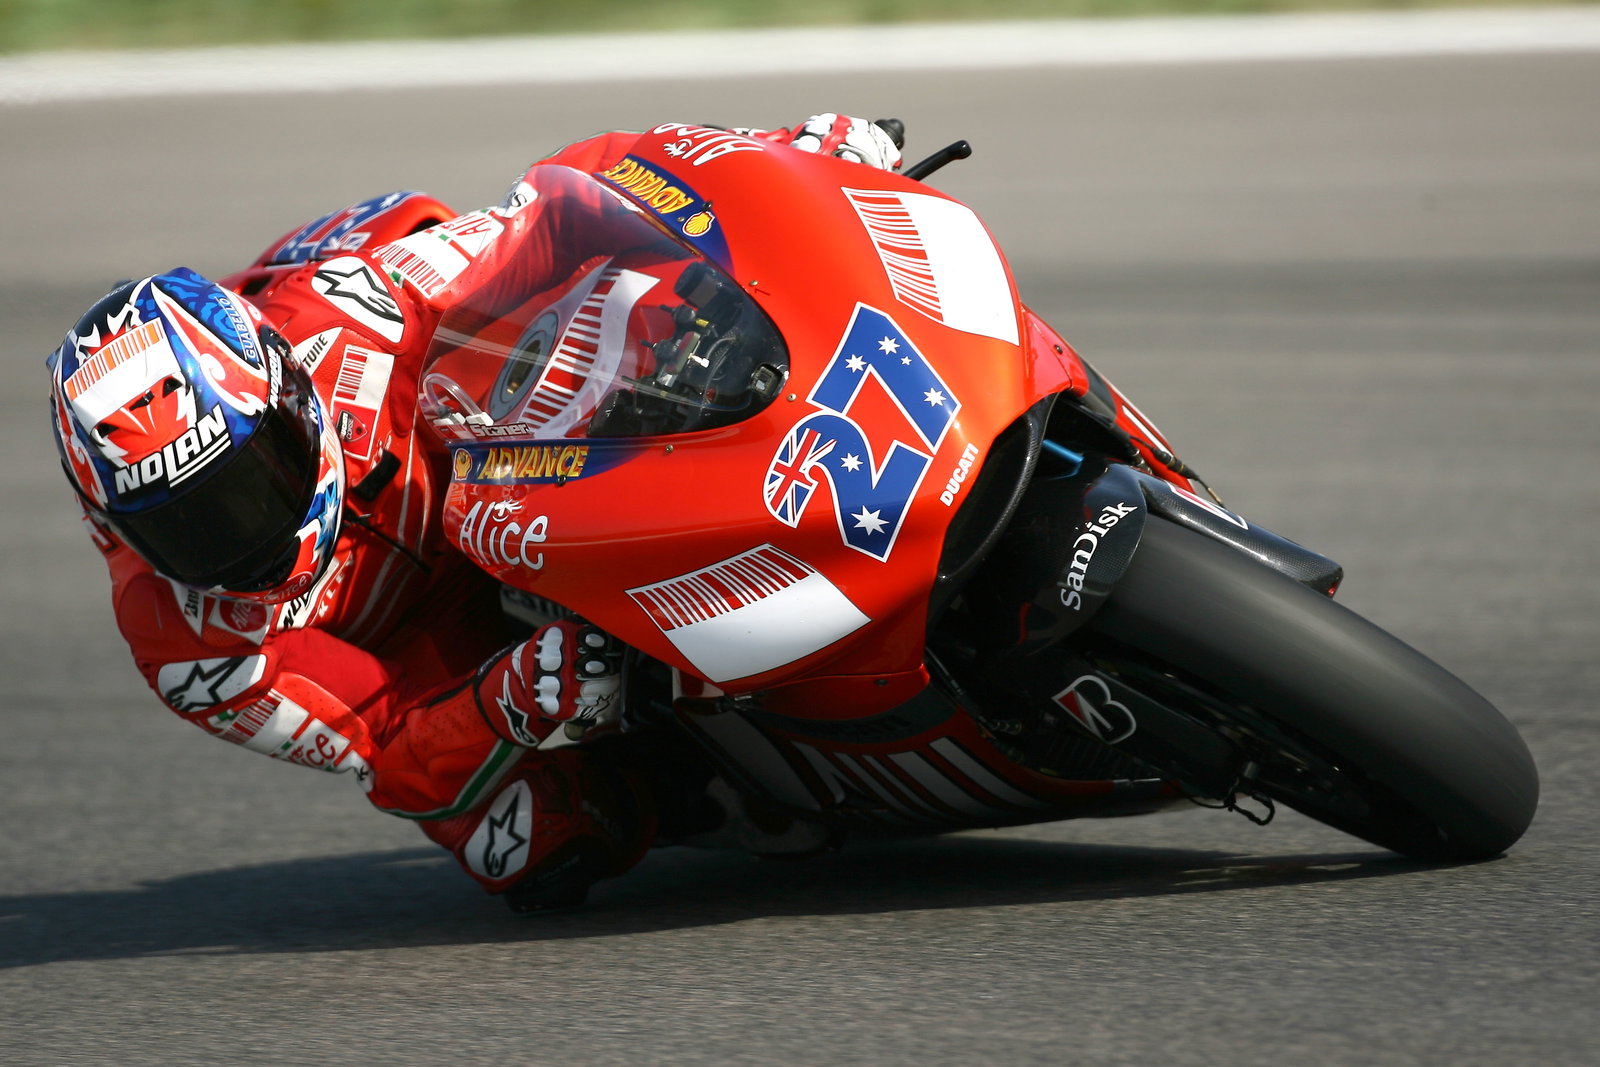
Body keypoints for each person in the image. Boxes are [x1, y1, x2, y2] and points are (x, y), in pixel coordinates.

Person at [47, 114, 903, 911]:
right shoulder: (186, 646)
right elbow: (383, 749)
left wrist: (789, 155)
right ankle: (715, 779)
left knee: (656, 306)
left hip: (489, 449)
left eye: (256, 477)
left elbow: (573, 204)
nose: (249, 531)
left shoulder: (357, 313)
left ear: (290, 398)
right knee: (533, 840)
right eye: (192, 525)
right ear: (121, 526)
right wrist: (511, 699)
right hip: (414, 646)